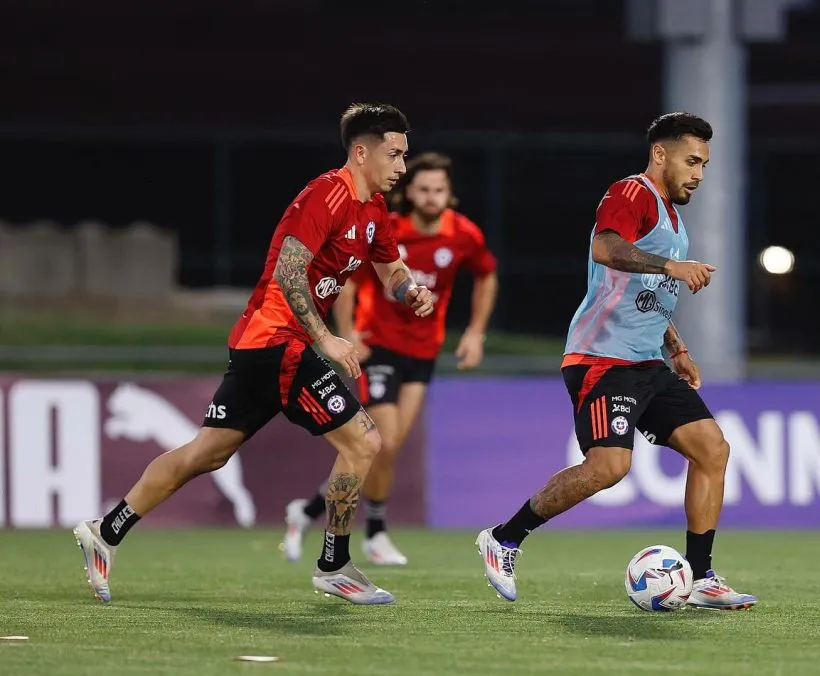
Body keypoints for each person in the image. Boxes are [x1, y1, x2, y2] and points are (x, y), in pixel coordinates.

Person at [72, 103, 435, 606]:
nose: (401, 167)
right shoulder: (323, 196)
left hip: (262, 345)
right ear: (361, 151)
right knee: (363, 443)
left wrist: (411, 291)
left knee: (208, 452)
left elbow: (391, 271)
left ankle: (105, 532)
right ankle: (334, 565)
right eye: (394, 155)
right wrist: (326, 339)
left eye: (404, 156)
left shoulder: (374, 210)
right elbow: (289, 274)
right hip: (275, 340)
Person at [475, 112, 758, 610]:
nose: (699, 173)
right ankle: (504, 537)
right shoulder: (631, 194)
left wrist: (678, 347)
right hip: (601, 360)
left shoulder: (672, 217)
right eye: (692, 161)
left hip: (647, 361)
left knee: (712, 449)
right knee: (608, 468)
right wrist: (673, 265)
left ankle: (700, 577)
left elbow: (648, 293)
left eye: (705, 165)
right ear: (660, 154)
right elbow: (605, 248)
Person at [281, 152, 499, 565]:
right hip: (379, 346)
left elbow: (487, 273)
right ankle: (376, 531)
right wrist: (348, 333)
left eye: (439, 189)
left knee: (390, 447)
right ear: (409, 193)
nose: (431, 197)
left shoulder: (464, 234)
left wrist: (474, 332)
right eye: (423, 189)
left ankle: (307, 511)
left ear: (449, 195)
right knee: (385, 439)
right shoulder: (389, 231)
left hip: (423, 352)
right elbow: (348, 282)